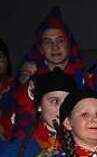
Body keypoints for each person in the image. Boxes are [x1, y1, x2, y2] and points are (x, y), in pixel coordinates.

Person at [10, 8, 88, 139]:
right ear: (40, 48)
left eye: (60, 40)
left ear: (69, 44)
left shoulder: (85, 79)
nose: (55, 47)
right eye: (48, 42)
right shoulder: (30, 80)